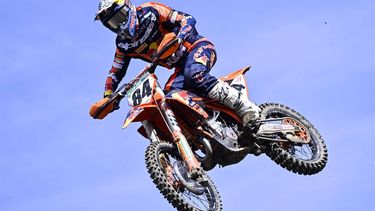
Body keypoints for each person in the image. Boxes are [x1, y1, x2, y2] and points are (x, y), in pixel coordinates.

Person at [91, 0, 261, 124]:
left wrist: (179, 38)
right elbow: (115, 71)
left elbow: (187, 19)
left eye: (119, 17)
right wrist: (108, 97)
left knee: (194, 75)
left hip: (196, 47)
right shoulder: (123, 44)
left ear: (128, 8)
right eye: (112, 23)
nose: (118, 24)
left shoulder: (151, 11)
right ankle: (209, 127)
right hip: (180, 68)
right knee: (170, 99)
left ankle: (244, 106)